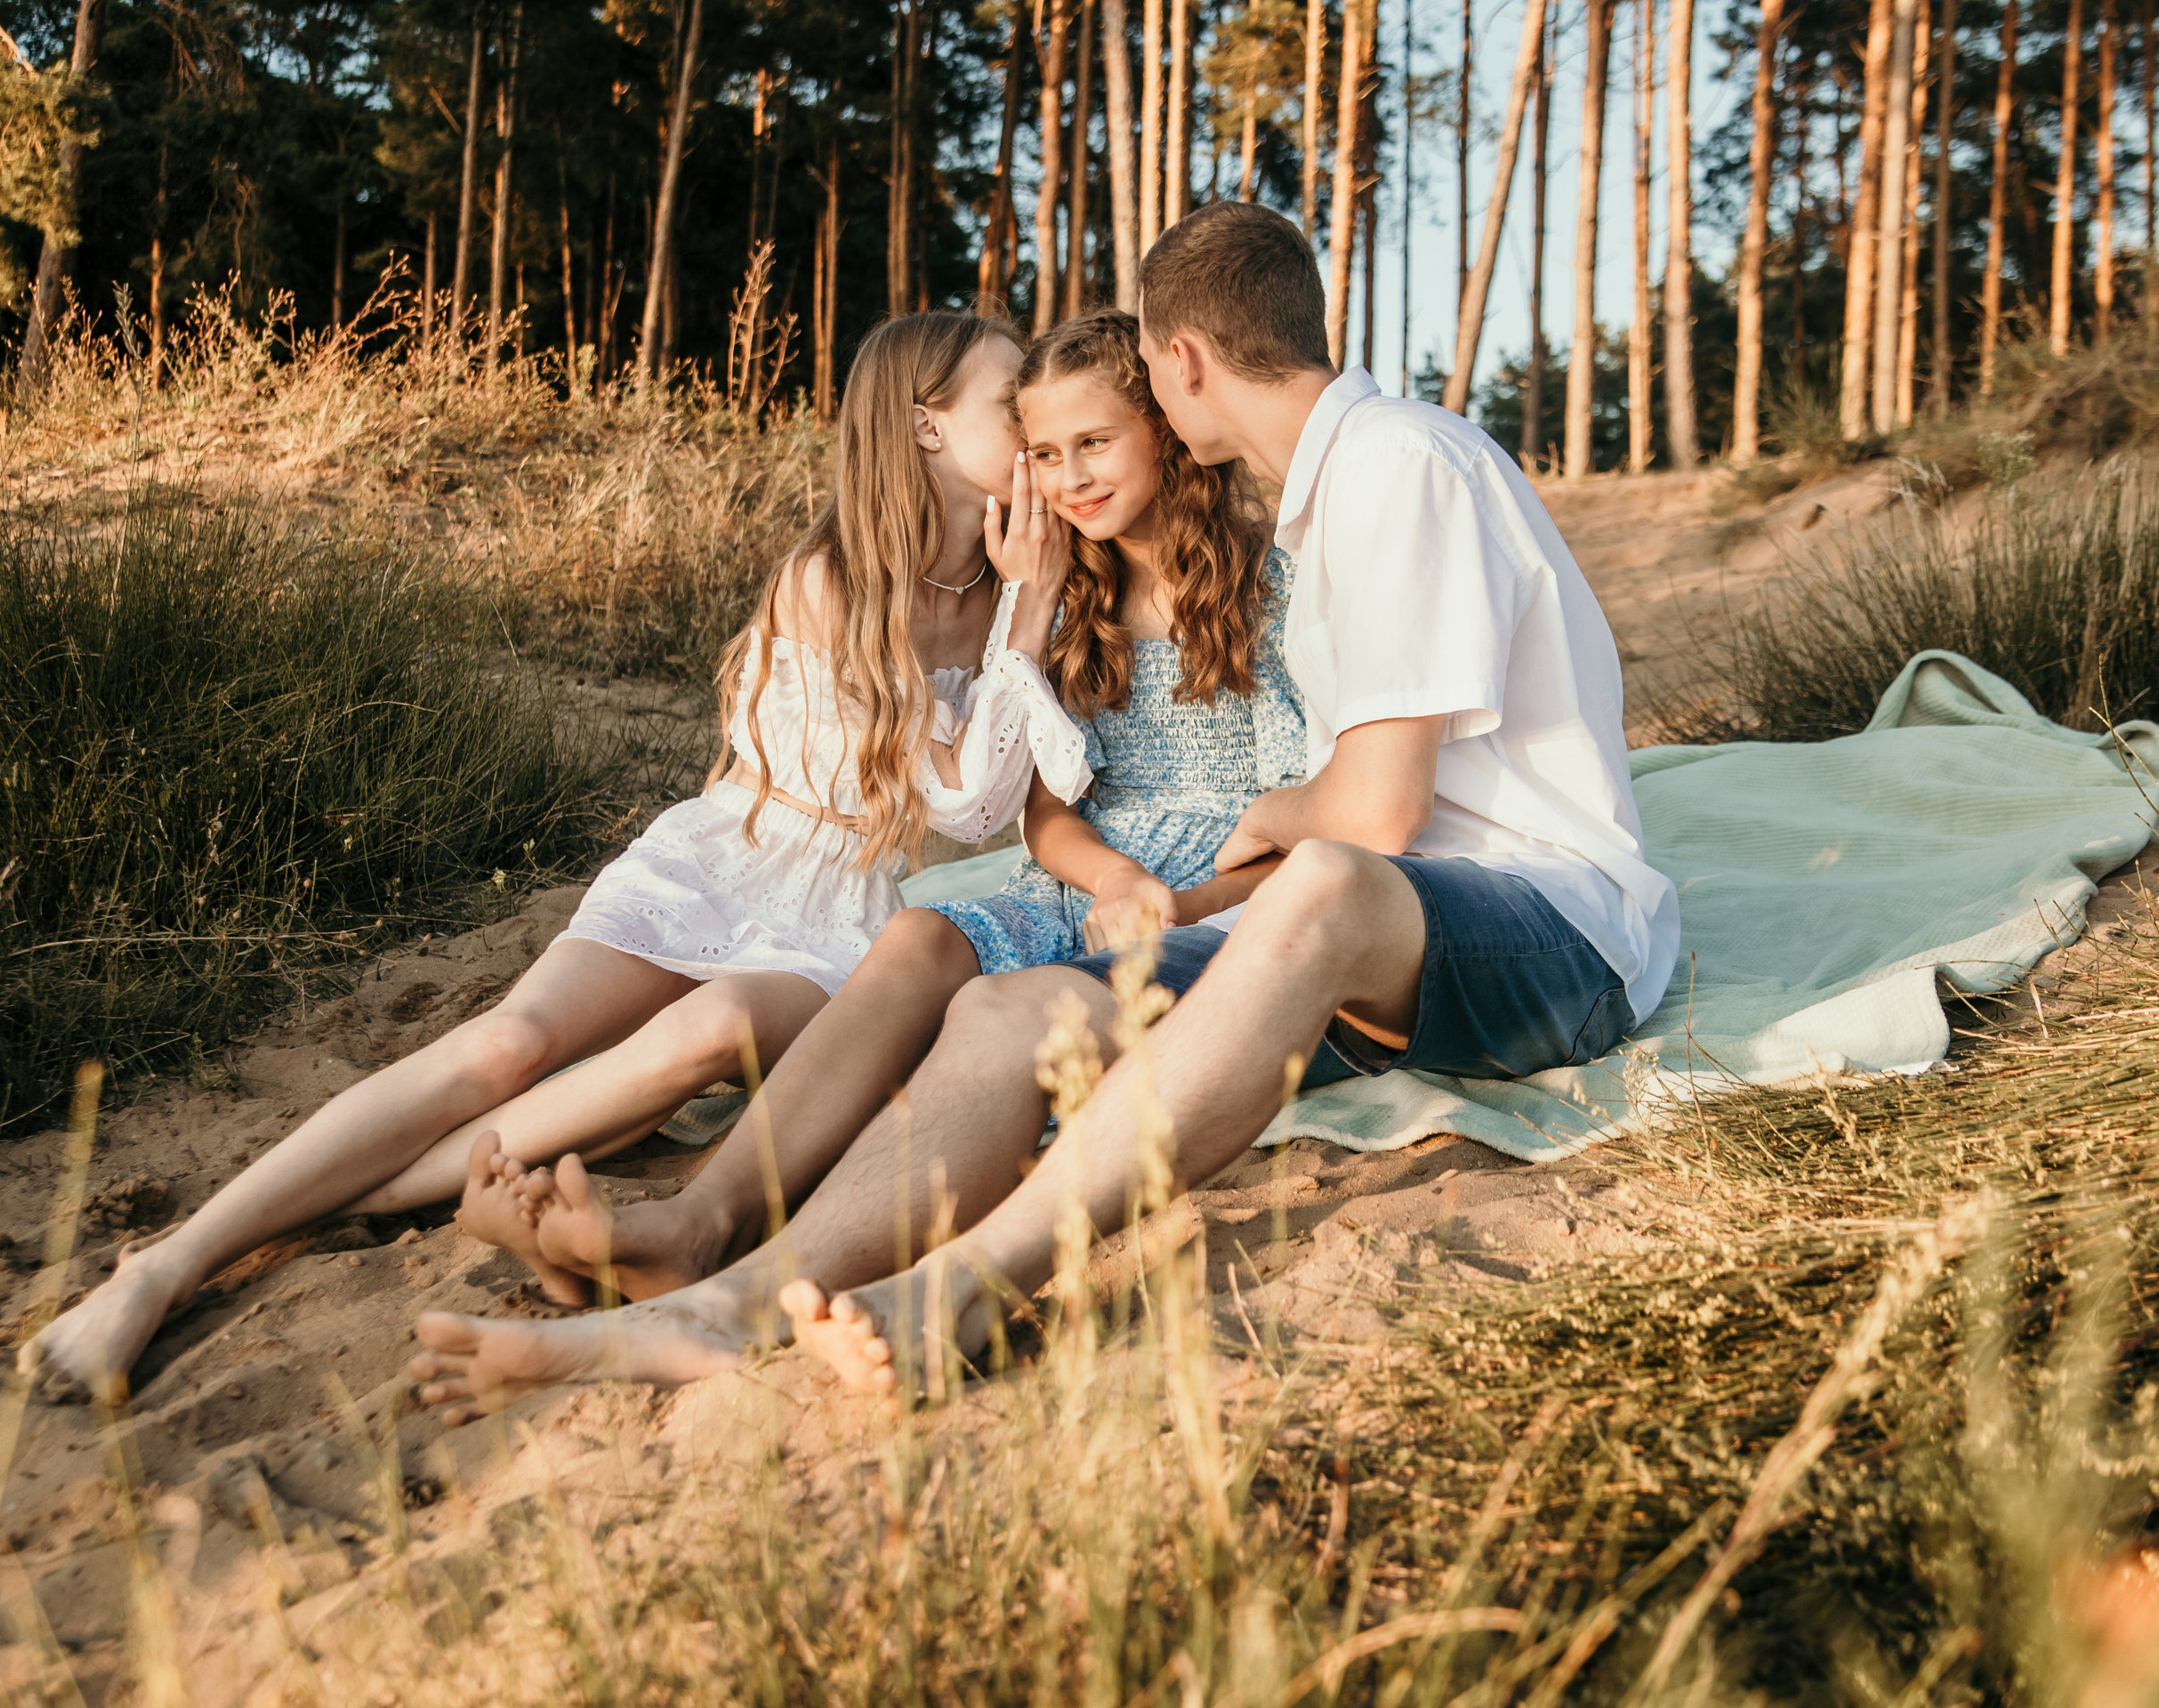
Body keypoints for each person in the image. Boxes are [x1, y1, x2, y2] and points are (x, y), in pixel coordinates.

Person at [406, 203, 1680, 1418]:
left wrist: (1271, 822)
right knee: (1011, 1002)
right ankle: (728, 1296)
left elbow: (1377, 810)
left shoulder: (1396, 463)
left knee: (1326, 880)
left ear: (1176, 365)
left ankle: (955, 1289)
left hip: (1543, 920)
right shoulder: (1331, 490)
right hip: (1383, 940)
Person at [21, 310, 1079, 1402]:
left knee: (706, 1031)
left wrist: (1030, 606)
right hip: (727, 853)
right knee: (505, 1048)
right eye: (1011, 406)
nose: (1037, 427)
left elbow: (967, 806)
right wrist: (1026, 621)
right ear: (924, 429)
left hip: (839, 919)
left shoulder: (1015, 589)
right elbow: (955, 783)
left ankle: (332, 1202)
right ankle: (166, 1264)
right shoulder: (830, 579)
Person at [460, 307, 1300, 1309]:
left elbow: (1296, 814)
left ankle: (730, 1239)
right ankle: (700, 1216)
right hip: (1080, 876)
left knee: (977, 990)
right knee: (915, 935)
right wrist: (1112, 875)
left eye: (1093, 444)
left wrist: (1173, 898)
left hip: (1217, 892)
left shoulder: (1268, 591)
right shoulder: (1069, 596)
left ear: (1162, 432)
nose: (1066, 477)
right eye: (1042, 451)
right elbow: (1046, 815)